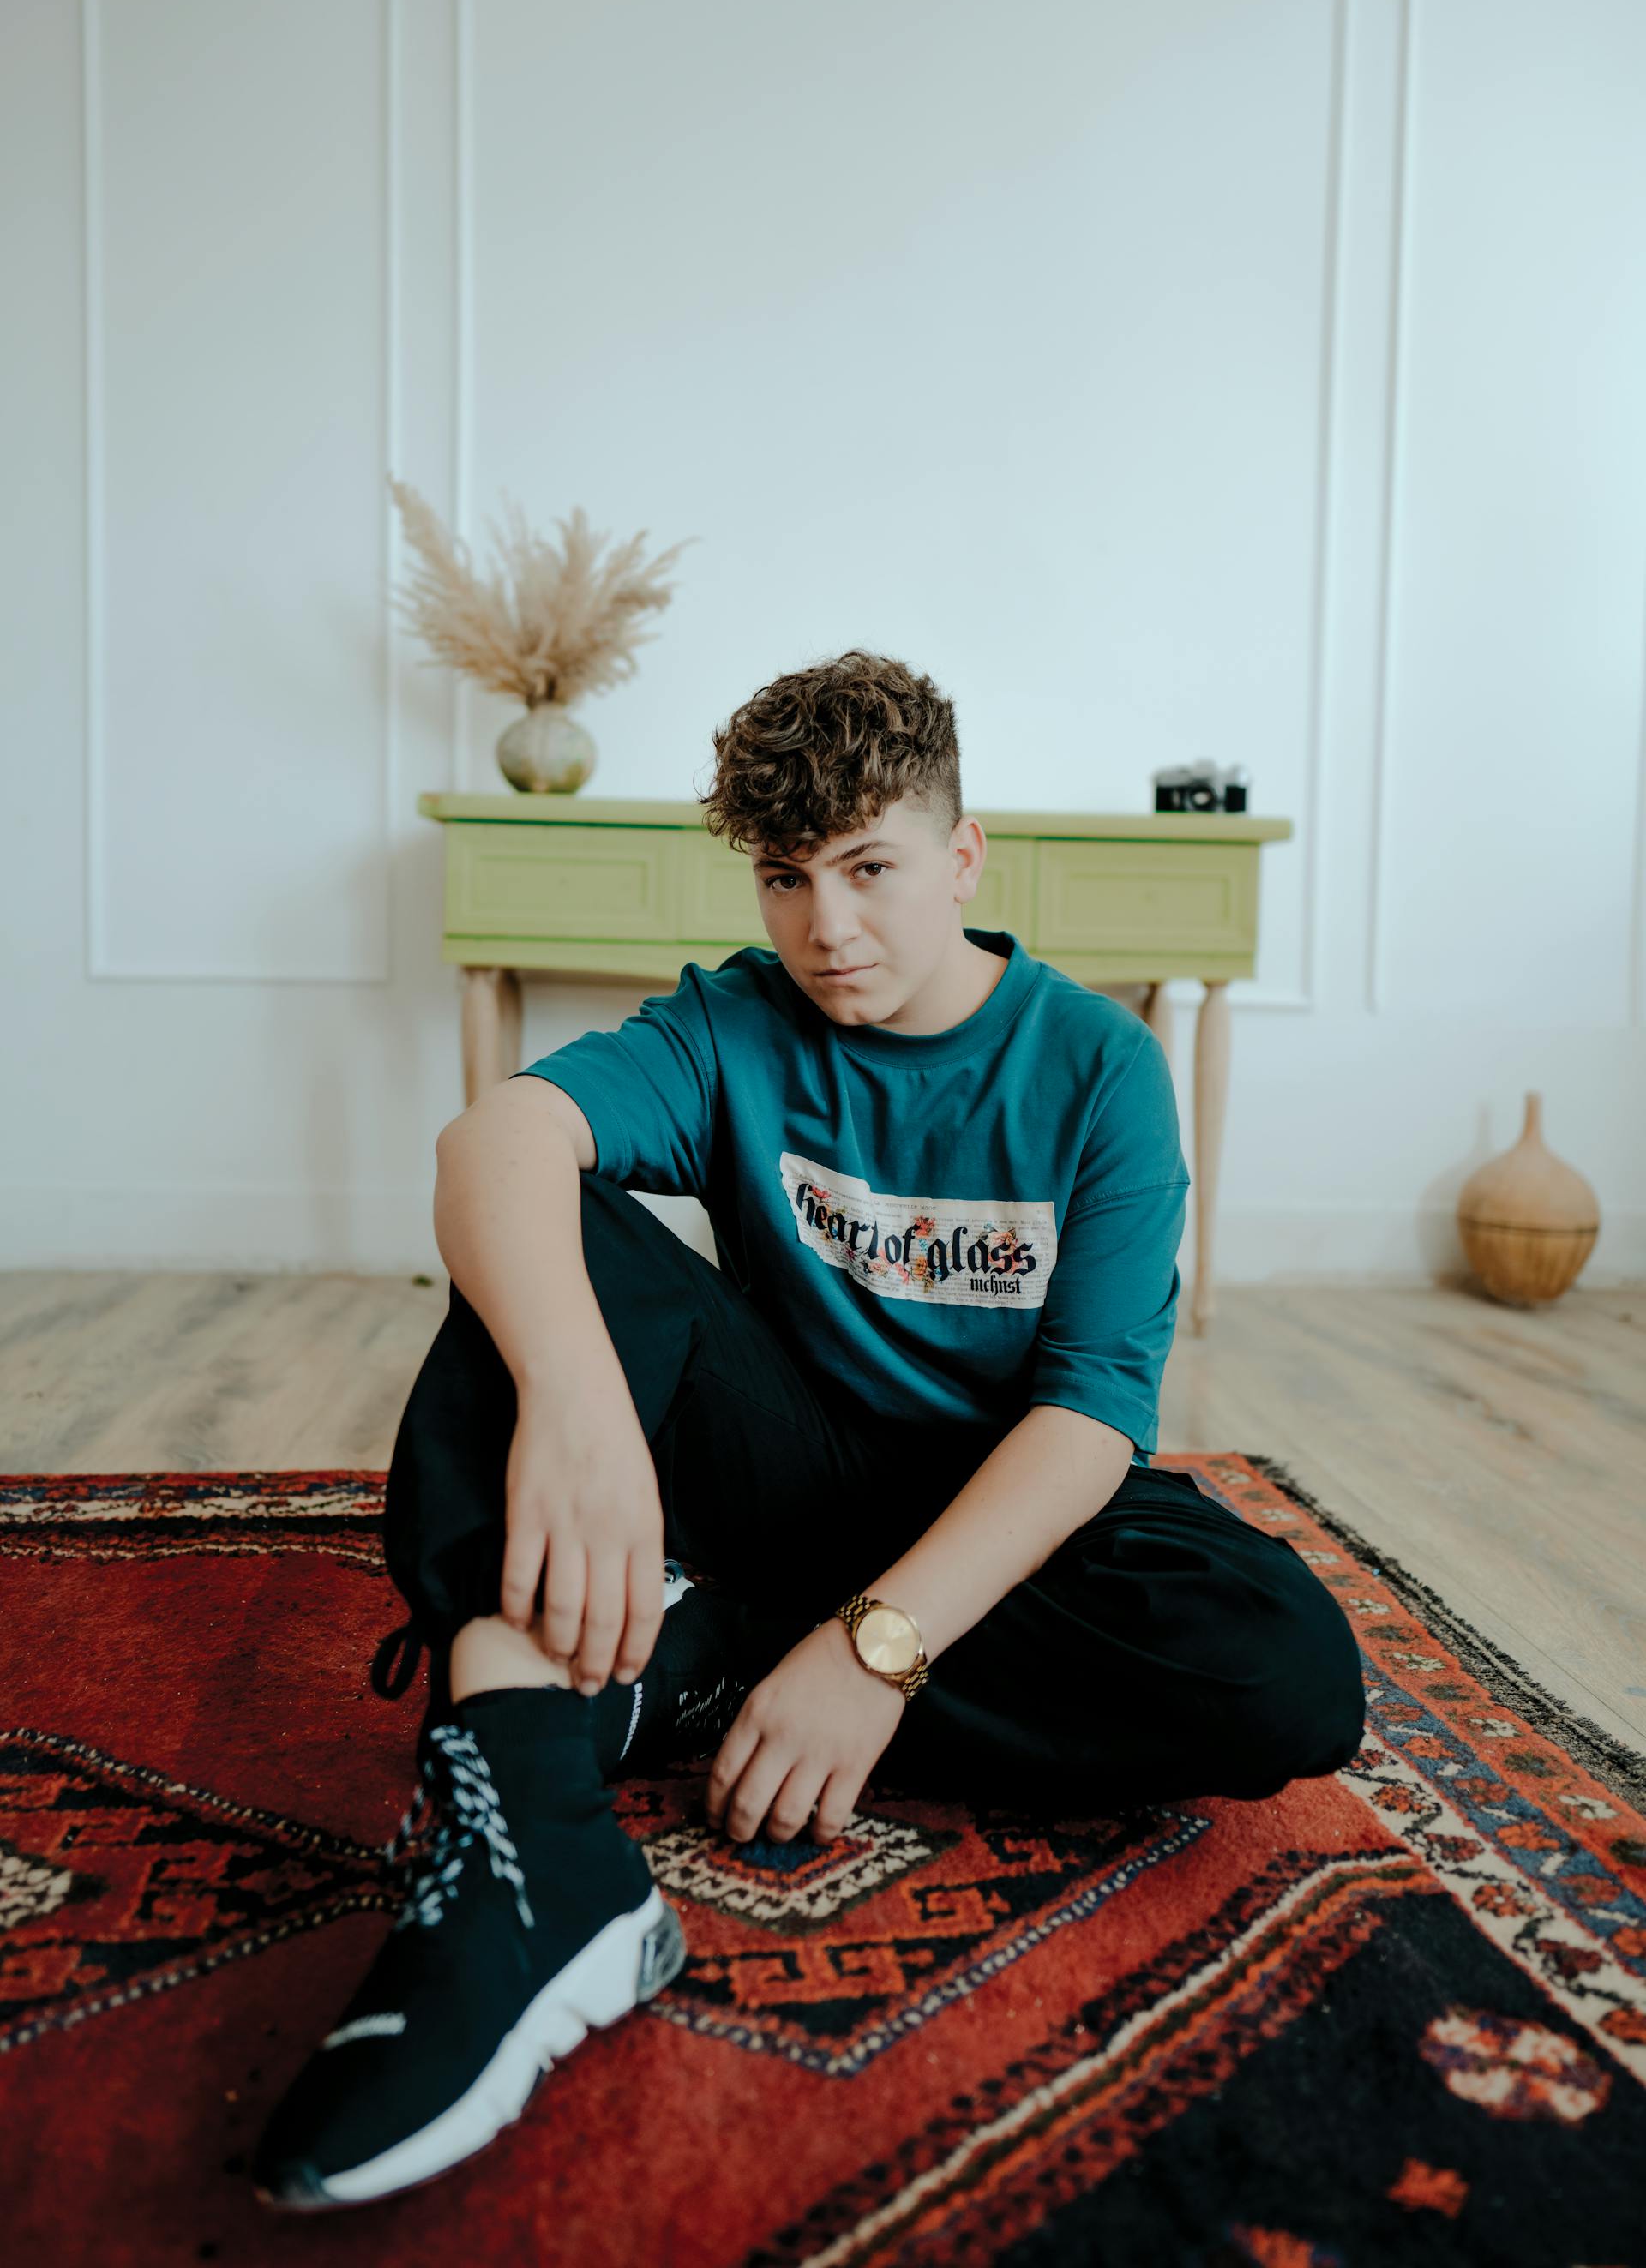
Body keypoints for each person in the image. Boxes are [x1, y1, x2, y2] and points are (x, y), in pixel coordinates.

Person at [252, 649, 1365, 2211]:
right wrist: (581, 1411)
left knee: (1287, 1674)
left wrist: (873, 1653)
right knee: (541, 1250)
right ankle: (533, 1834)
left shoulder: (1101, 1067)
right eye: (788, 877)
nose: (827, 926)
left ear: (963, 858)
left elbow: (1095, 1415)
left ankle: (710, 1658)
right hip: (791, 1459)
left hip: (991, 1504)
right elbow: (496, 1136)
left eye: (870, 868)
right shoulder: (738, 1023)